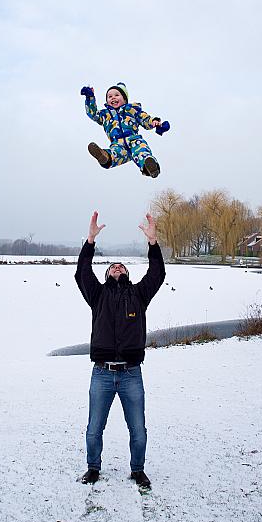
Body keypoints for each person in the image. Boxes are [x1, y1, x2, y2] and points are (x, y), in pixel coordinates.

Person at [75, 211, 166, 489]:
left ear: (127, 274)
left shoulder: (139, 294)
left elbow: (157, 274)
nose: (117, 267)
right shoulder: (98, 295)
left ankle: (138, 470)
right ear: (107, 275)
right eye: (113, 267)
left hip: (131, 374)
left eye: (121, 267)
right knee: (94, 429)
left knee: (138, 429)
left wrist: (153, 243)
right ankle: (93, 468)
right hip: (101, 373)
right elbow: (82, 273)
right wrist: (90, 241)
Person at [81, 83, 163, 178]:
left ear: (124, 99)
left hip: (134, 140)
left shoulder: (131, 110)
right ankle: (104, 156)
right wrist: (90, 97)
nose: (113, 98)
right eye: (109, 96)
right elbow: (93, 114)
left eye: (117, 95)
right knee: (114, 154)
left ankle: (149, 166)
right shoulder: (105, 115)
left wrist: (153, 122)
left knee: (141, 151)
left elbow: (144, 118)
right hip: (117, 144)